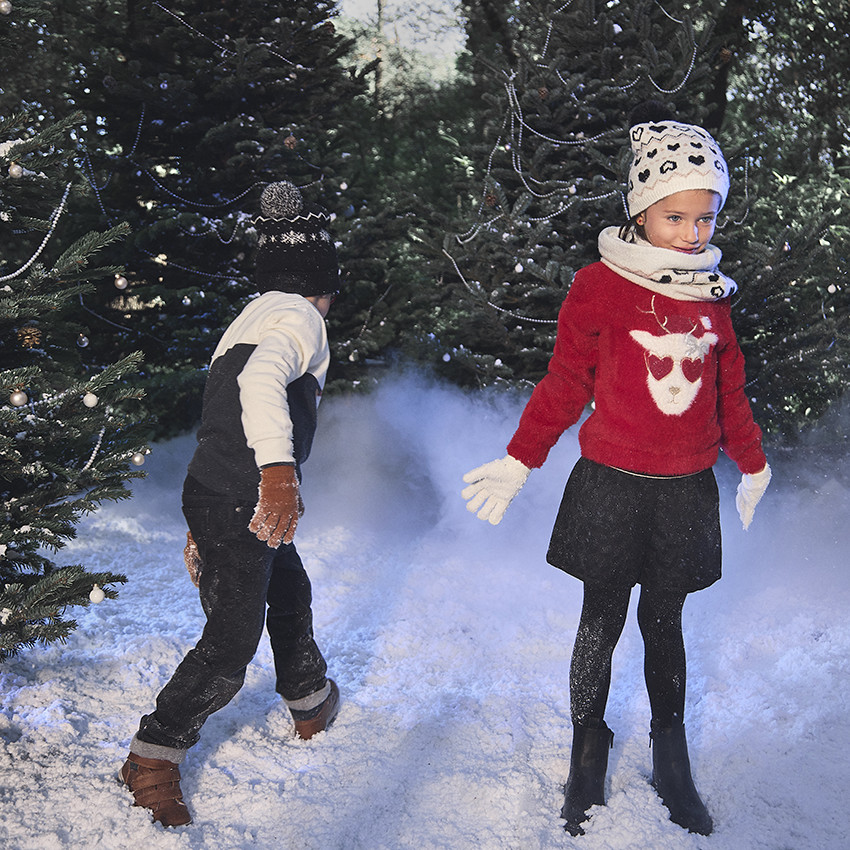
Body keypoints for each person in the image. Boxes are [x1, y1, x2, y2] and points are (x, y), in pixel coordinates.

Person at [461, 111, 771, 837]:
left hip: (686, 489)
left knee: (665, 622)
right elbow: (565, 382)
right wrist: (519, 458)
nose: (694, 232)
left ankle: (670, 753)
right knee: (600, 616)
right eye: (676, 216)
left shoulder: (714, 300)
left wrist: (752, 465)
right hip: (610, 484)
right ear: (640, 210)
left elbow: (730, 396)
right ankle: (588, 749)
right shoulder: (599, 287)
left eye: (706, 216)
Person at [120, 181, 341, 827]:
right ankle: (152, 754)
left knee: (290, 592)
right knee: (230, 641)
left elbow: (222, 407)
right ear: (317, 284)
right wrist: (278, 472)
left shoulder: (253, 313)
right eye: (330, 290)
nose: (331, 304)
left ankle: (309, 695)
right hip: (244, 499)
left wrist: (208, 517)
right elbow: (258, 381)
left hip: (221, 497)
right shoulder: (300, 317)